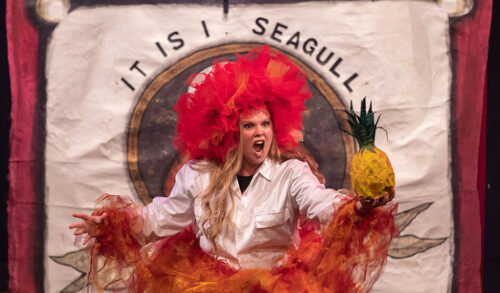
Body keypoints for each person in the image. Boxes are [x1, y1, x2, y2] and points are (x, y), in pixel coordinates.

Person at [69, 45, 394, 290]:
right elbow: (160, 218)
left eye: (266, 123)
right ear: (228, 133)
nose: (261, 133)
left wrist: (360, 207)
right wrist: (112, 225)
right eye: (249, 125)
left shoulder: (290, 172)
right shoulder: (198, 174)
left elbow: (322, 203)